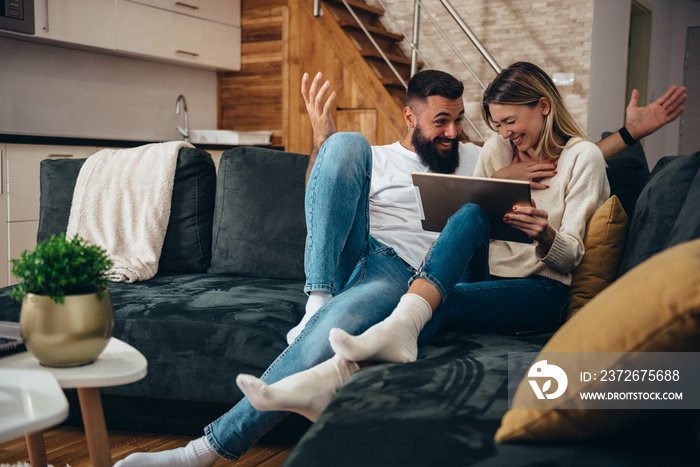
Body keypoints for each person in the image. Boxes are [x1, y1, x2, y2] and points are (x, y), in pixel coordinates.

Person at [114, 67, 686, 466]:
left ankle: (210, 446)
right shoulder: (395, 157)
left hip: (445, 278)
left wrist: (630, 134)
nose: (454, 132)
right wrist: (321, 137)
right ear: (409, 117)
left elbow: (568, 162)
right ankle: (318, 304)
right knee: (344, 147)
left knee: (461, 215)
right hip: (379, 265)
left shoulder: (478, 155)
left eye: (461, 121)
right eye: (441, 121)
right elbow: (325, 200)